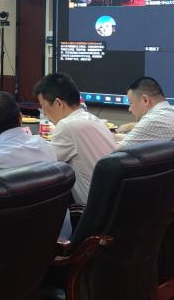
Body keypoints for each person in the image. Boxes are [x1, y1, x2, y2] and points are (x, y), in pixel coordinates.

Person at [33, 73, 117, 206]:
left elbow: (45, 166)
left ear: (58, 103)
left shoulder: (66, 125)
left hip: (90, 209)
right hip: (113, 202)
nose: (44, 113)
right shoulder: (93, 119)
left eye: (44, 107)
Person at [118, 76, 174, 147]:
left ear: (145, 100)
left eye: (131, 103)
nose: (129, 109)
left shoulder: (152, 119)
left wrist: (110, 135)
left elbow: (116, 152)